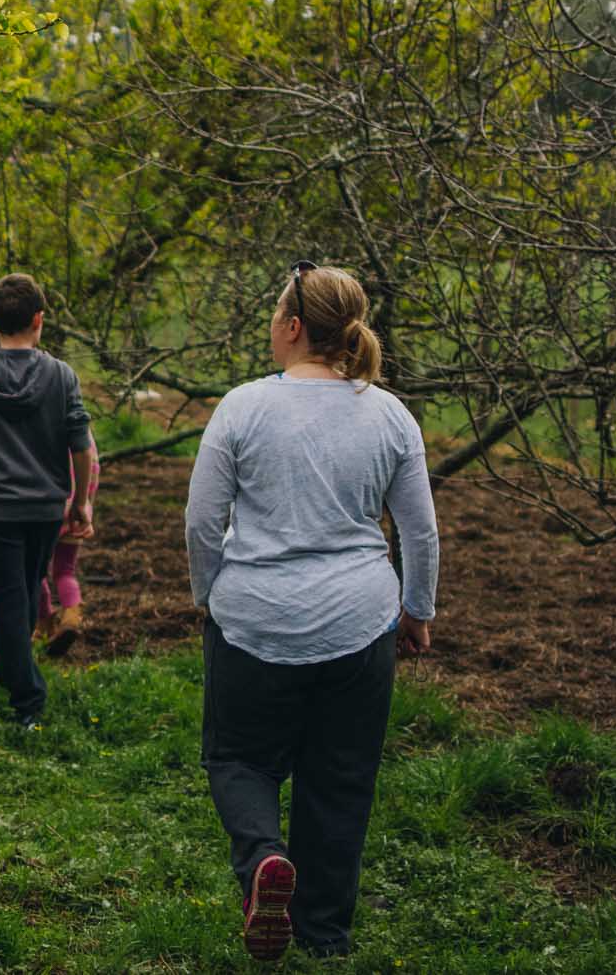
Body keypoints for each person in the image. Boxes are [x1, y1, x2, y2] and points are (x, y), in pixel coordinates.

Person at [184, 263, 440, 962]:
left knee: (238, 758)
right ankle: (325, 933)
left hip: (253, 620)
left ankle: (265, 858)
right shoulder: (390, 414)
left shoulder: (241, 407)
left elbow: (203, 522)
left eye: (274, 315)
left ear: (293, 328)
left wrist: (208, 594)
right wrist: (417, 608)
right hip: (358, 626)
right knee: (341, 777)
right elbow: (417, 530)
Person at [0, 273, 99, 729]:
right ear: (39, 320)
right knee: (22, 593)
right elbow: (80, 444)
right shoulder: (61, 375)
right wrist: (81, 503)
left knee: (12, 598)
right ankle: (22, 684)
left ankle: (24, 695)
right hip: (44, 509)